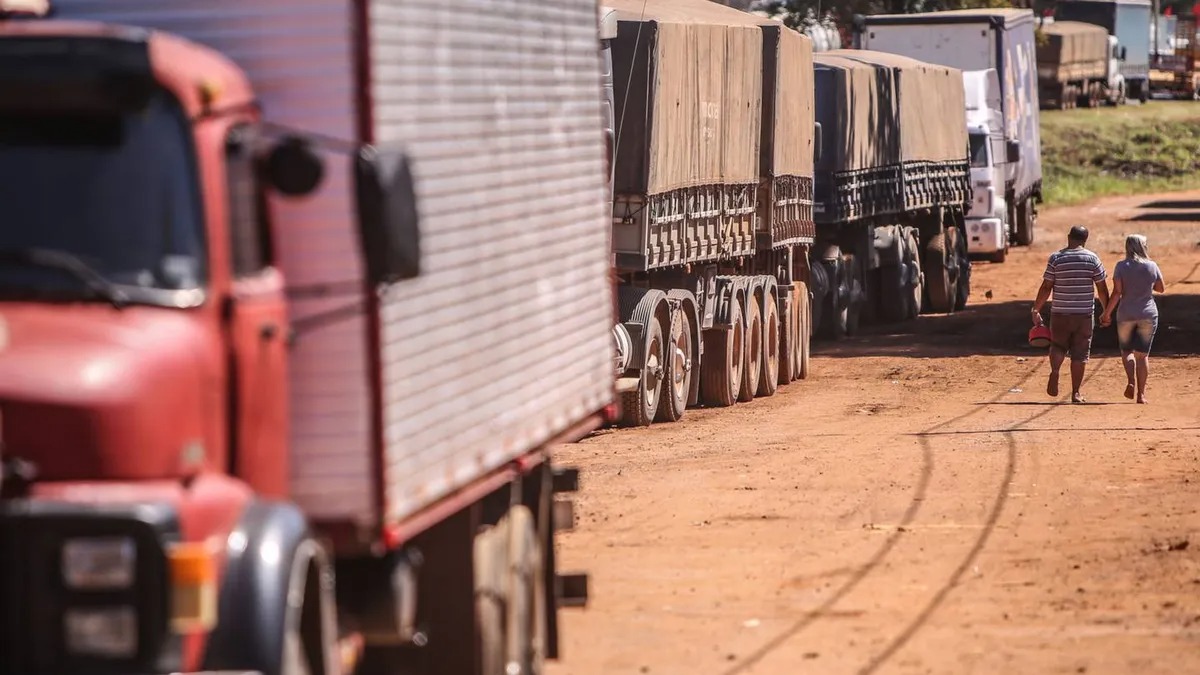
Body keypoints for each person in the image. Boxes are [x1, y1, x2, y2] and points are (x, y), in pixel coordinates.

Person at [1031, 225, 1110, 403]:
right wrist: (1107, 311)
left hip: (1060, 313)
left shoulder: (1056, 258)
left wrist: (1036, 308)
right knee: (1080, 353)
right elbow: (1102, 288)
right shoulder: (1093, 259)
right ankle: (1075, 392)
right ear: (1085, 240)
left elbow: (1046, 286)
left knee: (1058, 346)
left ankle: (1056, 371)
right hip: (1083, 315)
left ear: (1069, 237)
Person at [1101, 234, 1165, 404]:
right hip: (1148, 313)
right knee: (1143, 356)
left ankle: (1130, 381)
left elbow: (1117, 292)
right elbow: (1161, 288)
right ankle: (1141, 395)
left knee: (1127, 351)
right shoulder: (1152, 266)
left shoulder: (1121, 266)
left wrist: (1106, 313)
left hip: (1126, 313)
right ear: (1144, 247)